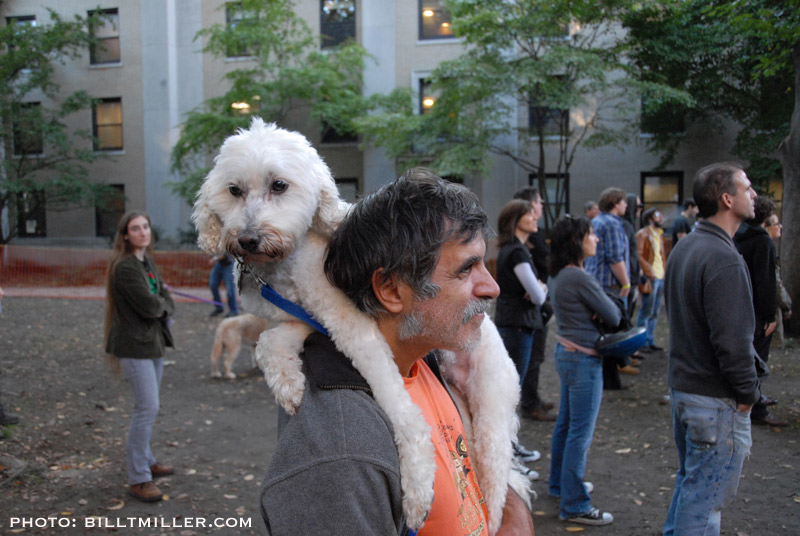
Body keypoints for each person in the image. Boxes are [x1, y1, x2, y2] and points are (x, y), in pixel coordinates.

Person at [261, 169, 534, 535]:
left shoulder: (429, 359)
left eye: (483, 263)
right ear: (391, 290)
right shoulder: (343, 454)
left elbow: (470, 474)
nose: (492, 287)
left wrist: (510, 516)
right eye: (466, 268)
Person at [663, 163, 759, 535]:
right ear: (726, 198)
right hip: (713, 401)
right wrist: (748, 394)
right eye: (747, 188)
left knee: (692, 488)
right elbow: (732, 343)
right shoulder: (723, 258)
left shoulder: (686, 247)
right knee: (704, 506)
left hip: (687, 391)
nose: (753, 195)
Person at [547, 214, 620, 526]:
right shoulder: (578, 277)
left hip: (567, 353)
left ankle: (561, 485)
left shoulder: (559, 275)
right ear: (577, 241)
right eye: (592, 234)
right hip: (583, 359)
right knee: (579, 432)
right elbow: (614, 315)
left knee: (566, 426)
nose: (597, 239)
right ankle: (575, 504)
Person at [104, 211, 175, 503]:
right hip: (134, 346)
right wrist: (164, 303)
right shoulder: (125, 268)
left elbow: (163, 298)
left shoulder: (145, 262)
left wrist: (164, 302)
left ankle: (146, 460)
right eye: (136, 229)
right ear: (125, 235)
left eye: (145, 226)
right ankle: (138, 478)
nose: (143, 232)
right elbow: (151, 306)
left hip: (151, 343)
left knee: (149, 407)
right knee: (146, 409)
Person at [734, 196, 786, 427]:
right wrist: (769, 315)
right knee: (758, 361)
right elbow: (766, 282)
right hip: (757, 312)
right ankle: (757, 409)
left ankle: (754, 400)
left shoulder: (736, 236)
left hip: (740, 307)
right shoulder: (763, 241)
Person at [511, 187, 557, 423]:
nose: (539, 211)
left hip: (531, 310)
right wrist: (539, 289)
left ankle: (532, 399)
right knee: (527, 361)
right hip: (524, 314)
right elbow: (535, 291)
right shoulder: (518, 250)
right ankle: (529, 404)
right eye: (537, 204)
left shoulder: (523, 245)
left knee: (534, 357)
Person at [584, 187, 632, 389]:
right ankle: (611, 379)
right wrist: (626, 282)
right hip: (609, 284)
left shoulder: (596, 221)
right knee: (614, 329)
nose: (626, 205)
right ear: (615, 203)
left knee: (601, 330)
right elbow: (615, 257)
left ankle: (609, 377)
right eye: (623, 201)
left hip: (595, 282)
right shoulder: (612, 223)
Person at [636, 208, 667, 353]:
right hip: (651, 277)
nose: (660, 218)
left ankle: (649, 340)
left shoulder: (659, 235)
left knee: (654, 311)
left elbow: (661, 256)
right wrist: (649, 271)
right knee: (646, 310)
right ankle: (641, 342)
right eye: (657, 216)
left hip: (660, 276)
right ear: (650, 219)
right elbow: (639, 255)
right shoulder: (643, 234)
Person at [765, 214, 792, 347]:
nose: (780, 226)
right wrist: (786, 304)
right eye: (776, 224)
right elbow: (775, 282)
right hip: (768, 311)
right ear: (767, 227)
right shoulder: (767, 247)